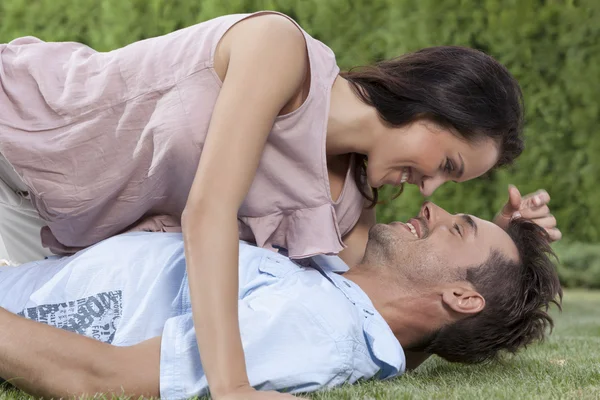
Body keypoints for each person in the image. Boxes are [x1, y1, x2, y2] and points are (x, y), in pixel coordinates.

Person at [0, 10, 561, 399]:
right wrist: (231, 385)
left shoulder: (346, 213)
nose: (432, 189)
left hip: (53, 223)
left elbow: (388, 318)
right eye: (448, 165)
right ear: (433, 105)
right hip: (25, 133)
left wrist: (505, 255)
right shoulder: (281, 52)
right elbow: (208, 213)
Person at [0, 202, 562, 399]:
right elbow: (418, 336)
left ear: (462, 296)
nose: (431, 209)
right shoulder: (361, 312)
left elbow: (100, 377)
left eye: (456, 228)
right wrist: (509, 243)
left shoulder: (312, 329)